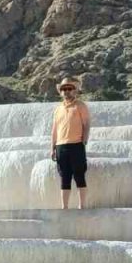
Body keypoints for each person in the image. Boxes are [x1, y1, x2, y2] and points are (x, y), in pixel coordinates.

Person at [51, 77, 91, 210]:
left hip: (76, 144)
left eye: (69, 89)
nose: (66, 91)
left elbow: (86, 124)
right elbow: (55, 129)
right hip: (61, 146)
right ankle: (65, 207)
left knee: (79, 176)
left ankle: (82, 206)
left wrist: (84, 141)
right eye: (64, 89)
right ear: (61, 92)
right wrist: (53, 148)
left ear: (75, 91)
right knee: (65, 177)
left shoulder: (81, 106)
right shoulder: (58, 109)